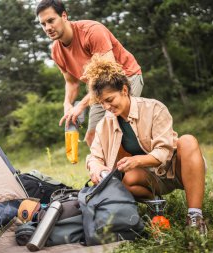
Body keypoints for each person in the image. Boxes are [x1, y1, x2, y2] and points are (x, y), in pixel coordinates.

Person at [83, 56, 207, 235]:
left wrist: (138, 161)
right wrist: (96, 167)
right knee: (125, 179)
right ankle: (156, 205)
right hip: (150, 179)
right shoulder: (105, 123)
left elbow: (164, 151)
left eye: (110, 99)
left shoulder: (154, 108)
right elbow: (94, 156)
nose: (107, 106)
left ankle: (195, 216)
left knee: (187, 140)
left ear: (124, 90)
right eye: (102, 103)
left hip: (175, 171)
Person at [36, 0, 144, 146]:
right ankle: (109, 169)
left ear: (64, 16)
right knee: (92, 137)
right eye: (43, 24)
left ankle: (146, 160)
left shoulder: (92, 31)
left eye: (51, 20)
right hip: (99, 89)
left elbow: (109, 74)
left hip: (126, 77)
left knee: (112, 128)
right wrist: (67, 104)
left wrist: (81, 106)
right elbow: (72, 82)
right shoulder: (56, 51)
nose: (48, 28)